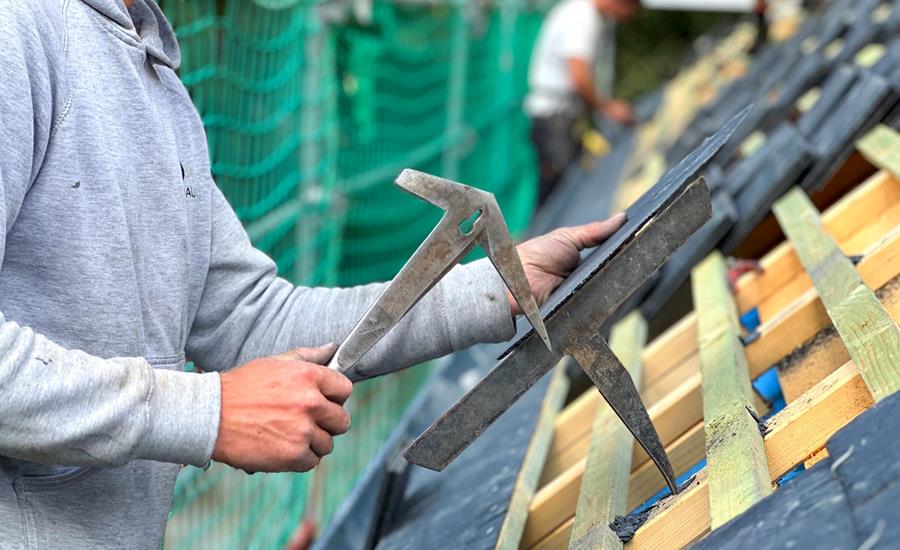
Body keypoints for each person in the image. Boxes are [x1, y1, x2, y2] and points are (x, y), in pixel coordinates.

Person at [0, 1, 627, 547]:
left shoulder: (155, 79)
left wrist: (501, 285)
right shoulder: (18, 31)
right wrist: (209, 412)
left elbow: (249, 319)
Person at [526, 0, 640, 206]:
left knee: (557, 190)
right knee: (556, 196)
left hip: (553, 115)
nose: (628, 17)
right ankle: (538, 237)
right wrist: (607, 108)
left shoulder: (576, 10)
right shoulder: (582, 18)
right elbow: (578, 77)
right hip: (554, 119)